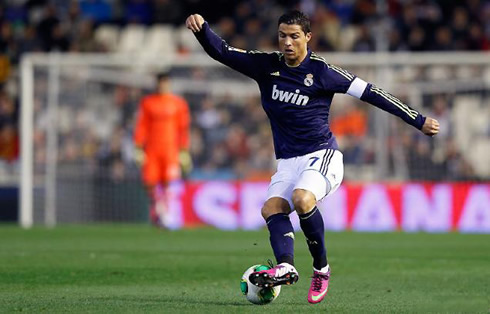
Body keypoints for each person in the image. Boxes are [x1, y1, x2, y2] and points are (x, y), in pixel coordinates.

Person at [186, 11, 439, 304]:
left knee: (303, 199)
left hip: (322, 155)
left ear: (308, 37)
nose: (288, 42)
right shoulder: (266, 66)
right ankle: (286, 266)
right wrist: (202, 30)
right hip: (287, 162)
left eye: (294, 36)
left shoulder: (323, 72)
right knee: (271, 209)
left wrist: (417, 119)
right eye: (283, 35)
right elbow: (225, 53)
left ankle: (321, 269)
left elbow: (372, 92)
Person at [133, 71, 192, 227]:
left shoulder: (178, 103)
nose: (163, 86)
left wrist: (184, 150)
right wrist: (138, 147)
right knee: (150, 182)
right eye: (161, 83)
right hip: (152, 150)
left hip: (171, 151)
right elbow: (142, 126)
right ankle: (158, 211)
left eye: (166, 83)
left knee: (169, 183)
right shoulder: (148, 103)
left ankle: (166, 213)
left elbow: (183, 128)